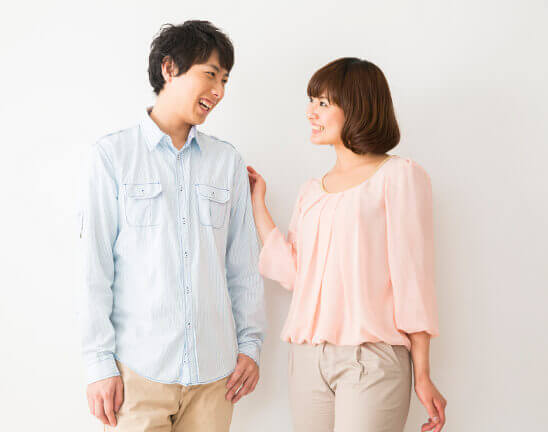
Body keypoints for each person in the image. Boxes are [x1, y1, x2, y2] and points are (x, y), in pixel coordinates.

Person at [81, 20, 265, 431]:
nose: (219, 91)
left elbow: (243, 265)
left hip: (215, 378)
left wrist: (251, 345)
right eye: (210, 74)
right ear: (169, 68)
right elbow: (94, 268)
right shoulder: (112, 157)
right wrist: (98, 364)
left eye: (225, 80)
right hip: (137, 375)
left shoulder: (227, 162)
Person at [247, 57, 447, 432]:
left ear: (356, 107)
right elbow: (296, 275)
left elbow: (413, 280)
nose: (311, 112)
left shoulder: (399, 176)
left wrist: (422, 374)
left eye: (323, 103)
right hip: (308, 359)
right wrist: (259, 204)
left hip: (371, 358)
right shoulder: (311, 191)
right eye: (311, 101)